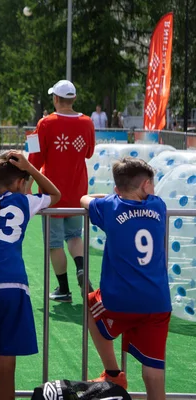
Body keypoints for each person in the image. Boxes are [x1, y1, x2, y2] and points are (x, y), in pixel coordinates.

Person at [0, 151, 61, 400]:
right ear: (20, 183)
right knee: (6, 366)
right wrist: (31, 168)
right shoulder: (22, 201)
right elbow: (55, 195)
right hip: (13, 287)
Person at [80, 157, 170, 400]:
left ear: (117, 189)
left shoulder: (110, 207)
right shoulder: (158, 206)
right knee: (153, 373)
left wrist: (111, 195)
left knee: (90, 304)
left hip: (119, 301)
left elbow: (84, 199)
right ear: (145, 186)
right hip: (158, 302)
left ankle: (112, 372)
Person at [27, 80, 95, 303]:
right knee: (75, 236)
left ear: (56, 99)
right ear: (73, 99)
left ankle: (63, 289)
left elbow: (35, 158)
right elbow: (89, 153)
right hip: (77, 192)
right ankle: (81, 268)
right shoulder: (87, 122)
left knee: (54, 243)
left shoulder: (45, 123)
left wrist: (27, 185)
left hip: (51, 193)